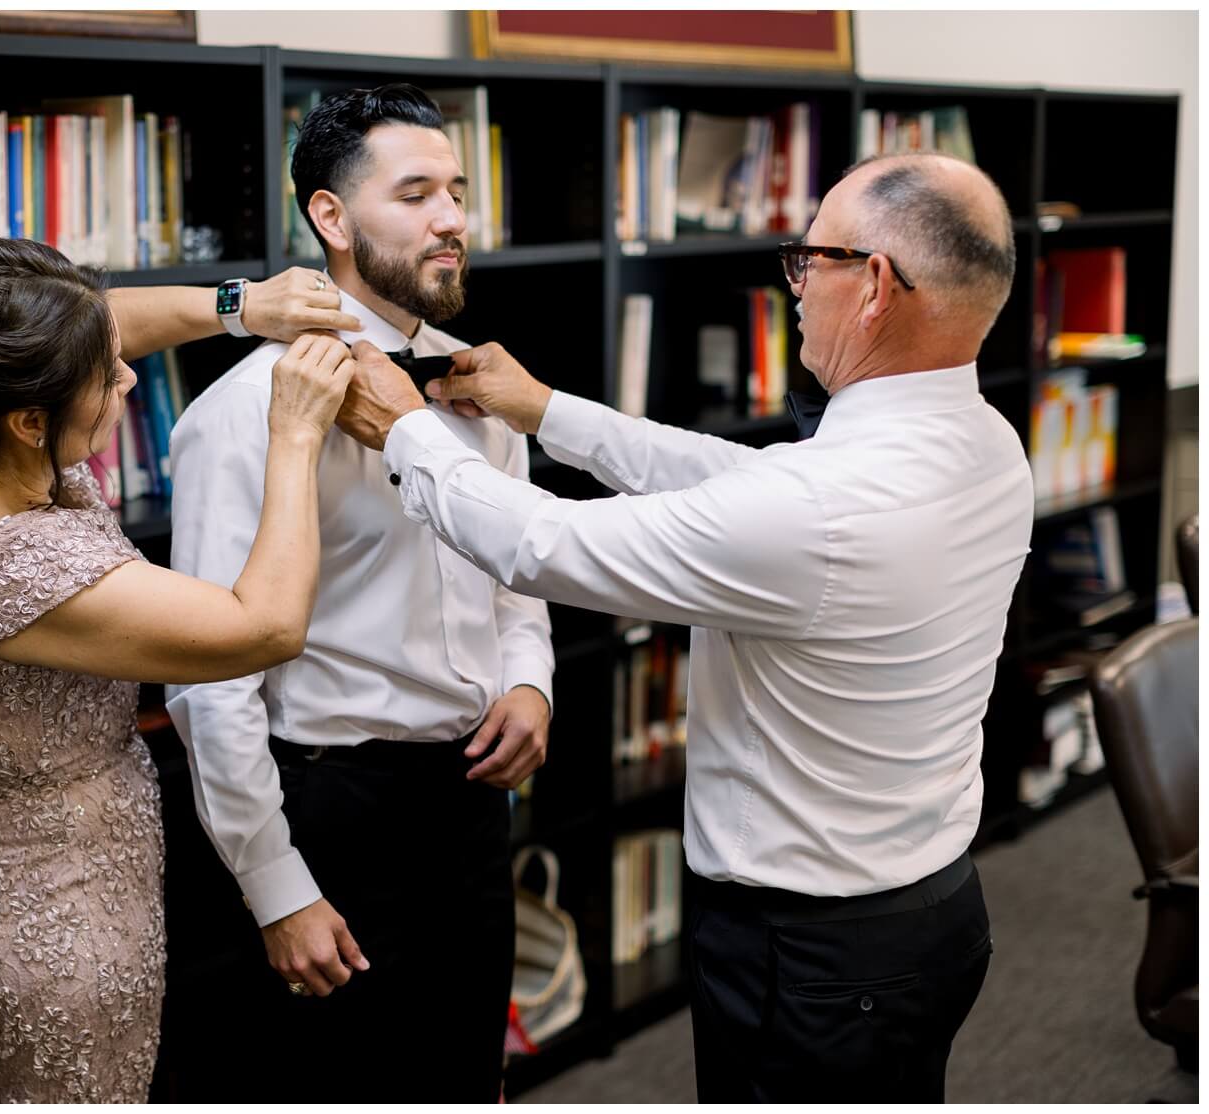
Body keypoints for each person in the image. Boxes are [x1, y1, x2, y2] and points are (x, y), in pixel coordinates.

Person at [340, 151, 1026, 1101]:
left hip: (813, 956)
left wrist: (404, 427)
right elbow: (743, 486)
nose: (791, 283)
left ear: (872, 285)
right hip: (931, 910)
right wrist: (546, 413)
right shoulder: (986, 441)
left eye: (808, 258)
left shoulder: (825, 507)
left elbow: (543, 545)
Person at [0, 222, 362, 1101]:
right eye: (108, 381)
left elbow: (98, 325)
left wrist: (243, 306)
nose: (127, 376)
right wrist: (295, 434)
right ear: (30, 419)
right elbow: (264, 625)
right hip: (51, 916)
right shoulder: (16, 568)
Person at [160, 84, 552, 1102]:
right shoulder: (245, 411)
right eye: (416, 192)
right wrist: (276, 885)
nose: (453, 219)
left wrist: (531, 683)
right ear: (330, 218)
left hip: (469, 804)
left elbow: (519, 566)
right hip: (331, 811)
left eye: (456, 192)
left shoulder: (479, 384)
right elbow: (211, 678)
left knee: (465, 1080)